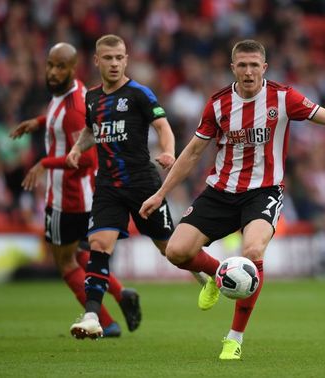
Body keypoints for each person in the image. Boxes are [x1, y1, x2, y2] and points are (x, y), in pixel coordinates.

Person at [139, 39, 325, 360]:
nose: (248, 71)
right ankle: (219, 276)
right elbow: (191, 154)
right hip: (220, 191)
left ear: (264, 68)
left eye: (254, 65)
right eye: (241, 65)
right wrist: (161, 193)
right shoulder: (217, 104)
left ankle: (234, 338)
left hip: (264, 191)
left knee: (253, 250)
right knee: (176, 251)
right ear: (233, 69)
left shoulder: (283, 98)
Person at [66, 34, 206, 339]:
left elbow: (162, 126)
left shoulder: (140, 93)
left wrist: (168, 150)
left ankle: (205, 270)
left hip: (143, 185)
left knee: (170, 250)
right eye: (108, 58)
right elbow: (92, 130)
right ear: (97, 61)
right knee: (99, 246)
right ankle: (92, 315)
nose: (114, 63)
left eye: (119, 58)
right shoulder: (91, 98)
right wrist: (78, 148)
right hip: (108, 187)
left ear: (126, 60)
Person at [10, 42, 140, 338]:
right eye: (50, 65)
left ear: (73, 69)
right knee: (83, 253)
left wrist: (45, 163)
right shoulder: (75, 91)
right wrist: (38, 122)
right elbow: (61, 120)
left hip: (65, 198)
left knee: (65, 262)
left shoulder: (74, 107)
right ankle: (122, 295)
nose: (53, 72)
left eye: (60, 67)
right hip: (86, 195)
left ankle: (105, 322)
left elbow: (85, 158)